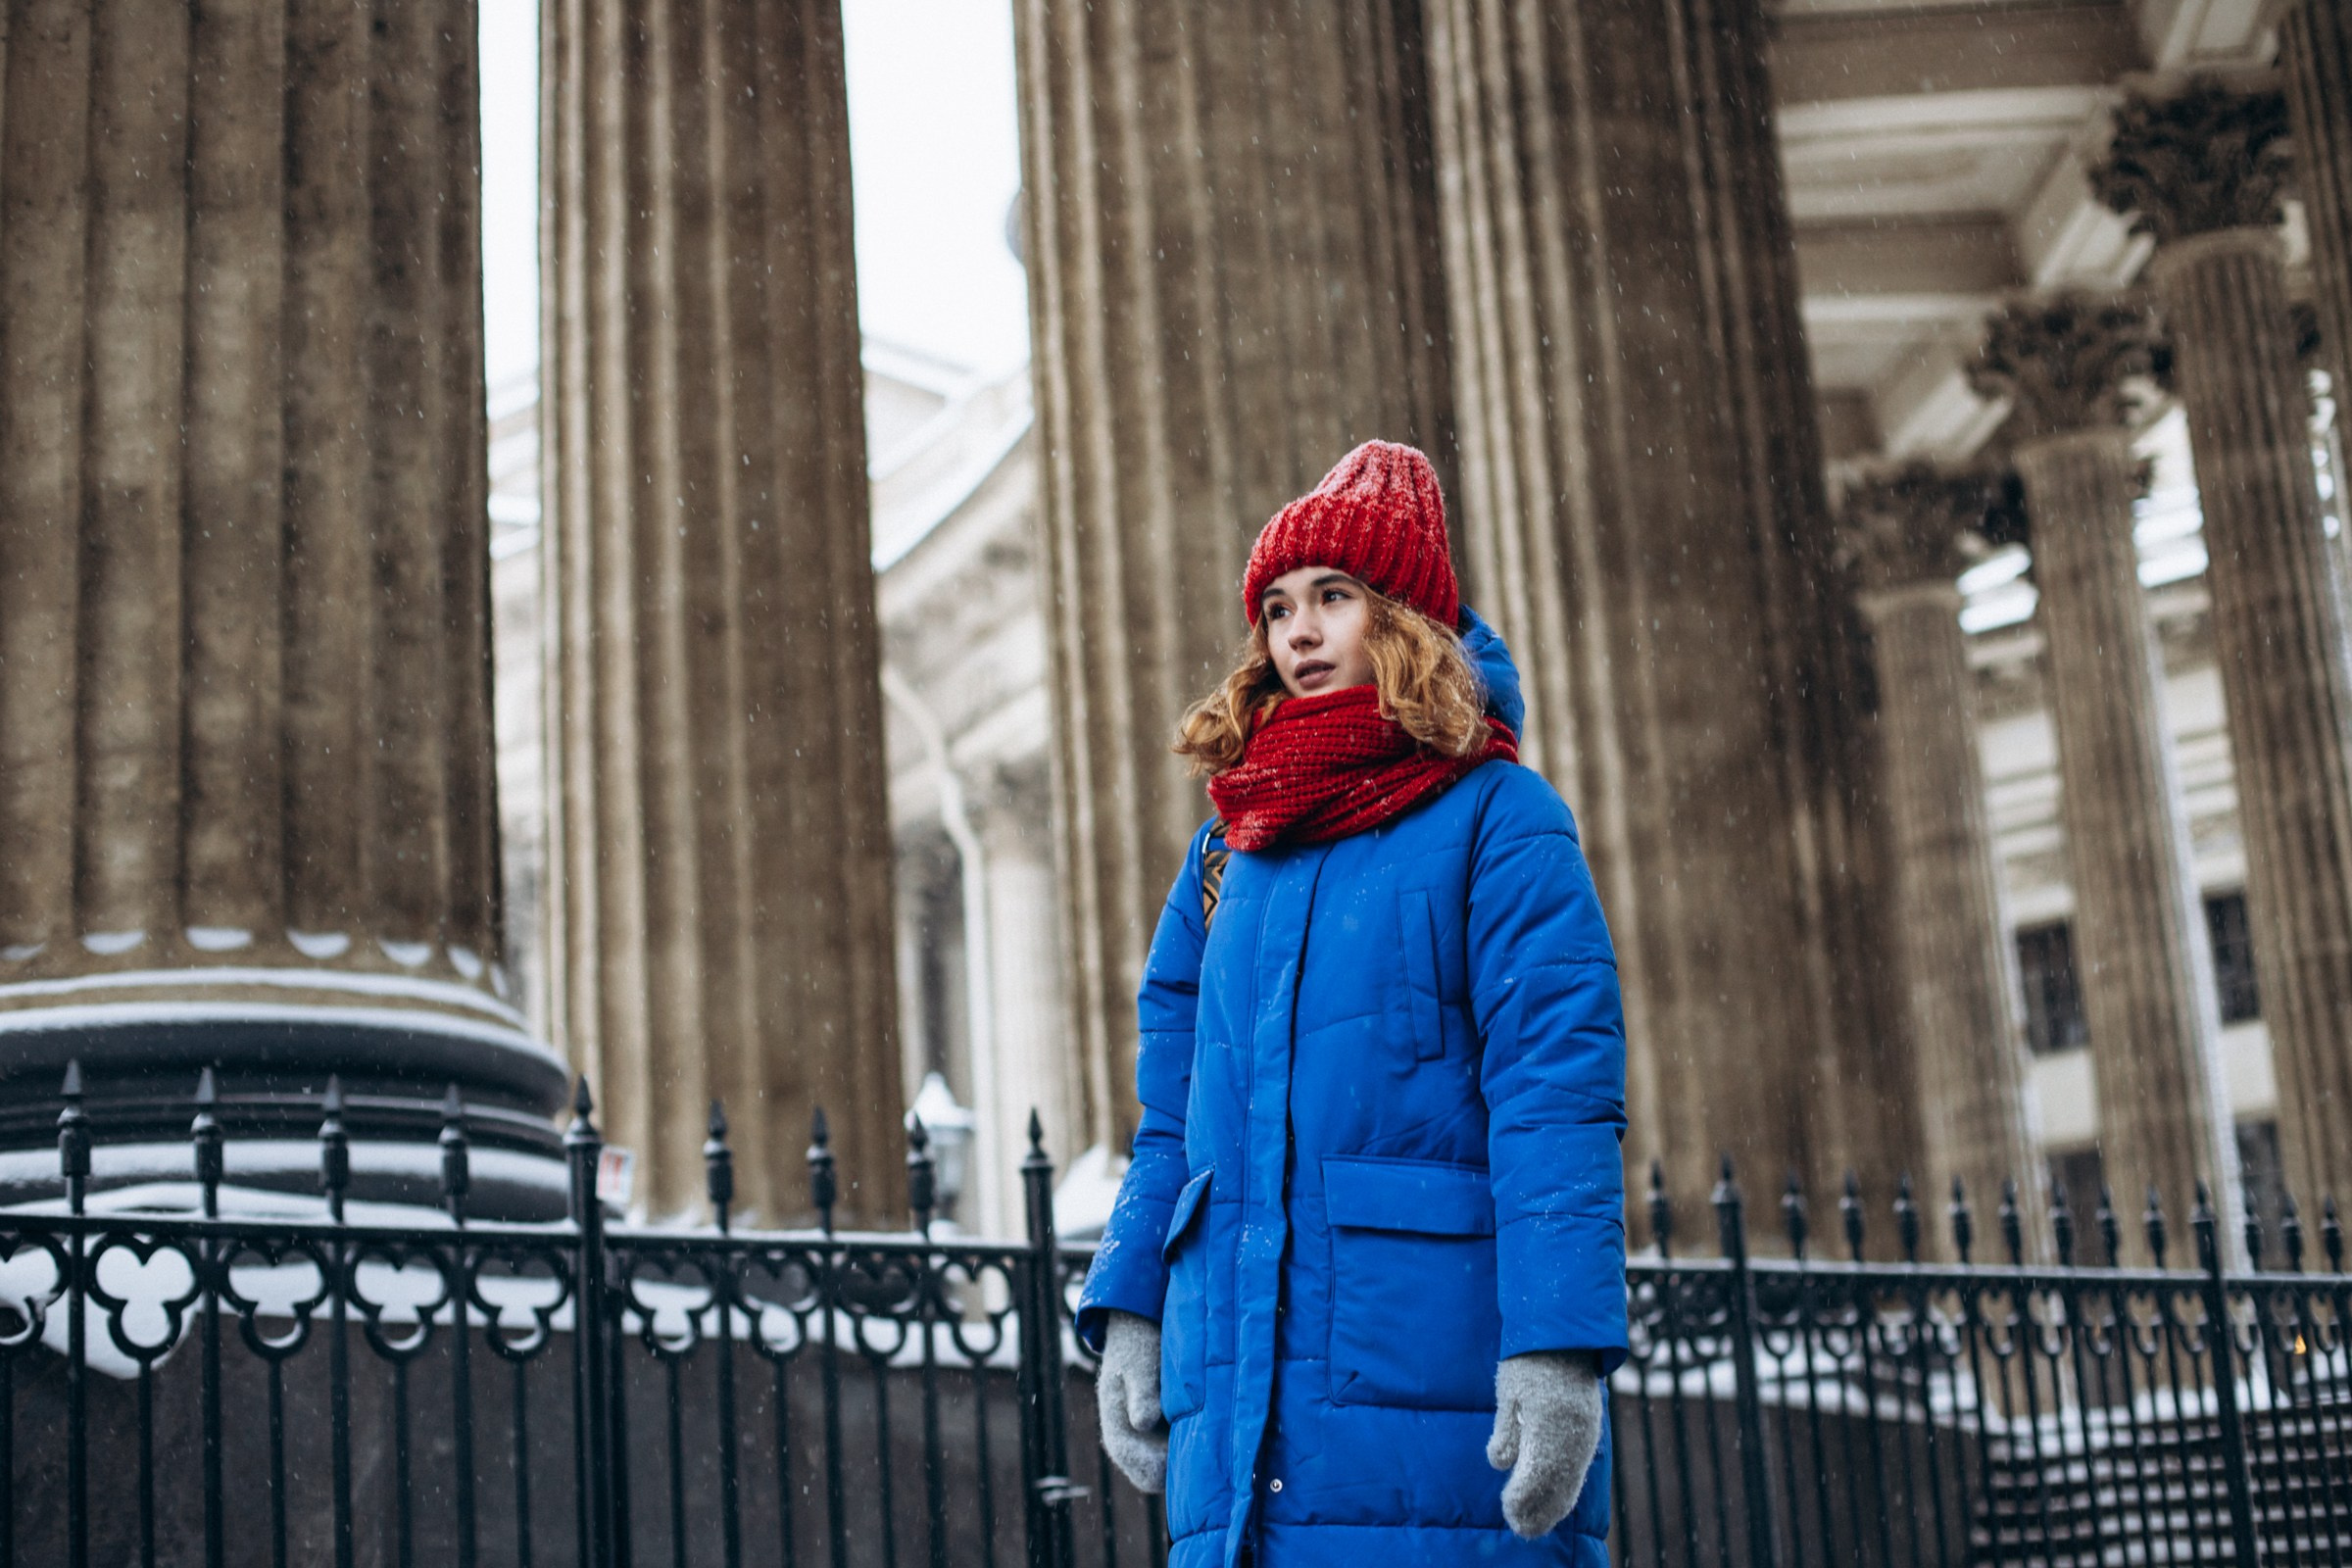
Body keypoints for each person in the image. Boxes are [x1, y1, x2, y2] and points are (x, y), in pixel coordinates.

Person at [1073, 441, 1629, 1567]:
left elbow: (1555, 1098)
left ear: (1405, 617)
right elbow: (1172, 1118)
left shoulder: (1499, 819)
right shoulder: (1229, 853)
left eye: (1335, 598)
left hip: (1428, 1364)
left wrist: (1559, 1346)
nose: (1300, 632)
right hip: (1237, 1387)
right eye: (1279, 608)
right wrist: (1129, 1304)